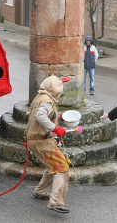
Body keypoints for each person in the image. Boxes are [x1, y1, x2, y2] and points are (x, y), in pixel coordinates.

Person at [25, 76, 70, 213]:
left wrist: (58, 116)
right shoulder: (47, 101)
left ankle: (41, 191)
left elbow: (41, 113)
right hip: (41, 140)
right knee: (62, 168)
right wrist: (56, 128)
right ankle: (56, 202)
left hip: (36, 139)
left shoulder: (40, 97)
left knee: (52, 166)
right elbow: (40, 116)